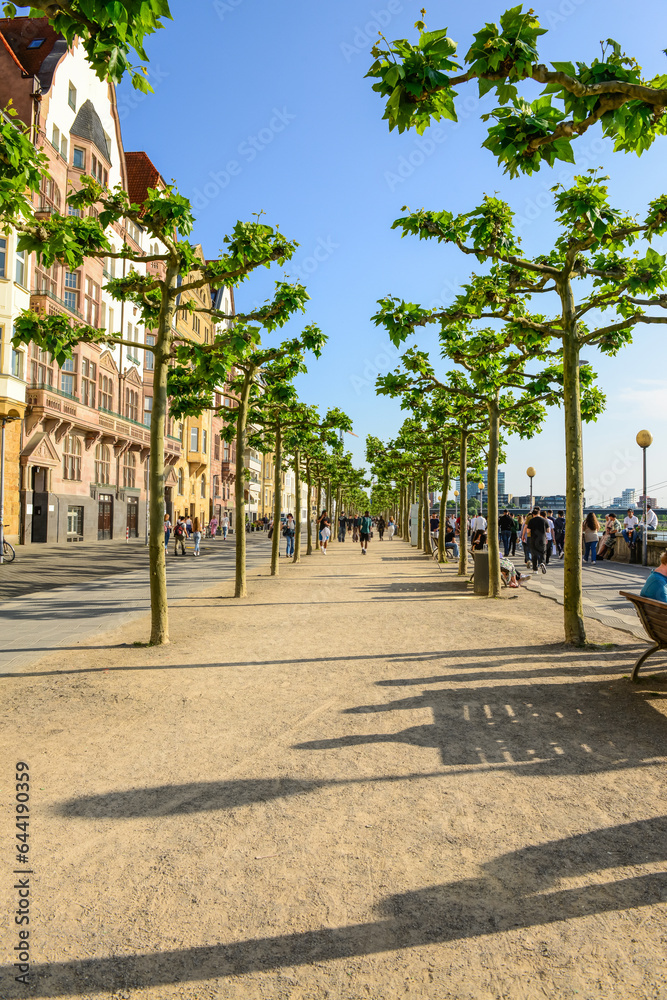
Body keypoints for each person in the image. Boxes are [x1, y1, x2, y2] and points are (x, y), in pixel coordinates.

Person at [526, 507, 548, 573]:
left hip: (534, 539)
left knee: (534, 554)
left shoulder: (531, 521)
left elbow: (528, 530)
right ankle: (542, 563)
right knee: (543, 552)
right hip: (542, 538)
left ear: (533, 514)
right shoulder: (544, 520)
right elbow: (548, 530)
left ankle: (535, 569)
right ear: (539, 513)